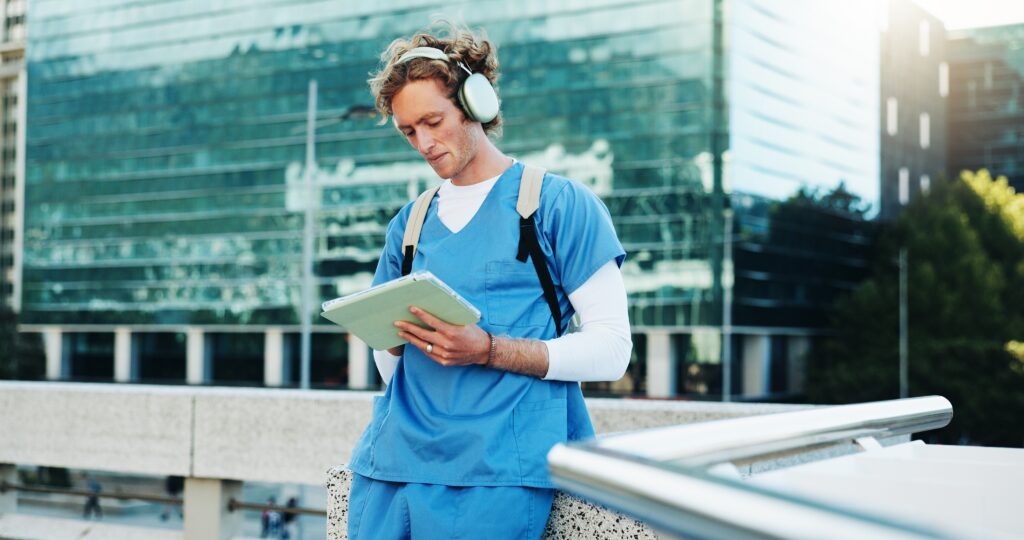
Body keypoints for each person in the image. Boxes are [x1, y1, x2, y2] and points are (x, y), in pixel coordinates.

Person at [346, 22, 632, 539]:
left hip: (497, 476)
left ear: (475, 103)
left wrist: (487, 350)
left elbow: (613, 350)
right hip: (388, 470)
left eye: (433, 121)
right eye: (410, 131)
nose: (424, 144)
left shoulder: (560, 205)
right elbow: (387, 363)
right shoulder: (408, 225)